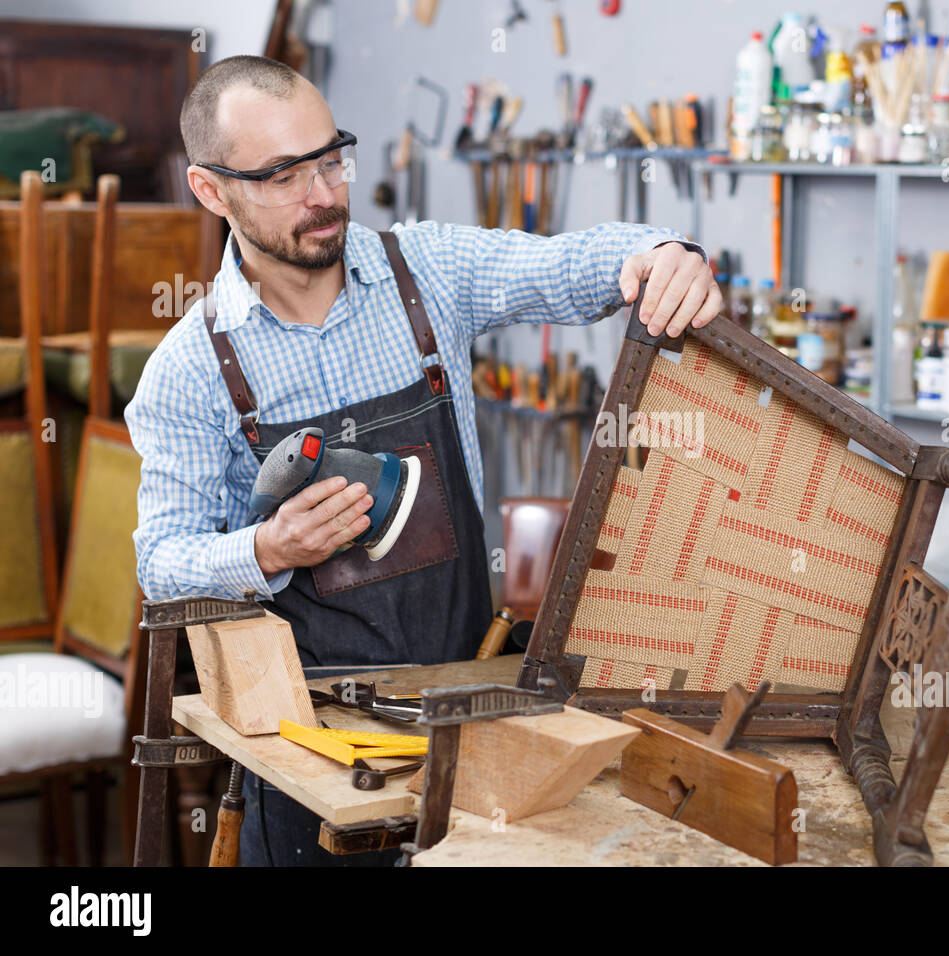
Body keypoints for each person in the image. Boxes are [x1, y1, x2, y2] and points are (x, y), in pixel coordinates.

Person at [124, 55, 721, 866]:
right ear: (210, 190)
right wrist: (268, 550)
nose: (324, 194)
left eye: (331, 158)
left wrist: (662, 251)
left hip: (468, 715)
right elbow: (162, 565)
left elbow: (568, 266)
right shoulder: (190, 370)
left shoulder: (427, 272)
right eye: (282, 176)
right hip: (309, 754)